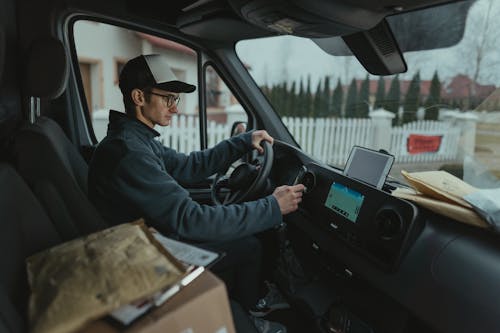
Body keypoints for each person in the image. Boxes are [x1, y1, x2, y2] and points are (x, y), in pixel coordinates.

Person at [88, 54, 304, 333]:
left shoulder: (135, 140)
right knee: (249, 247)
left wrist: (242, 142)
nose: (174, 108)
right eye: (168, 98)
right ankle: (250, 317)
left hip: (146, 241)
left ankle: (252, 307)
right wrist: (273, 207)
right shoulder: (130, 152)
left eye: (175, 99)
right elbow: (191, 219)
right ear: (139, 97)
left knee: (248, 245)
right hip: (143, 259)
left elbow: (189, 166)